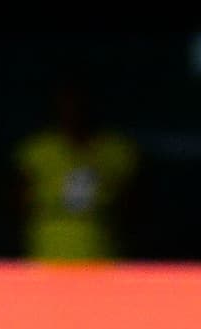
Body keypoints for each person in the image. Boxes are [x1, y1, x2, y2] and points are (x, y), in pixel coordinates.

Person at [14, 81, 139, 262]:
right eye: (68, 105)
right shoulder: (37, 149)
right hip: (49, 244)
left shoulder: (116, 150)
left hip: (100, 246)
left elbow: (133, 207)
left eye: (80, 104)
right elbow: (19, 202)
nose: (74, 111)